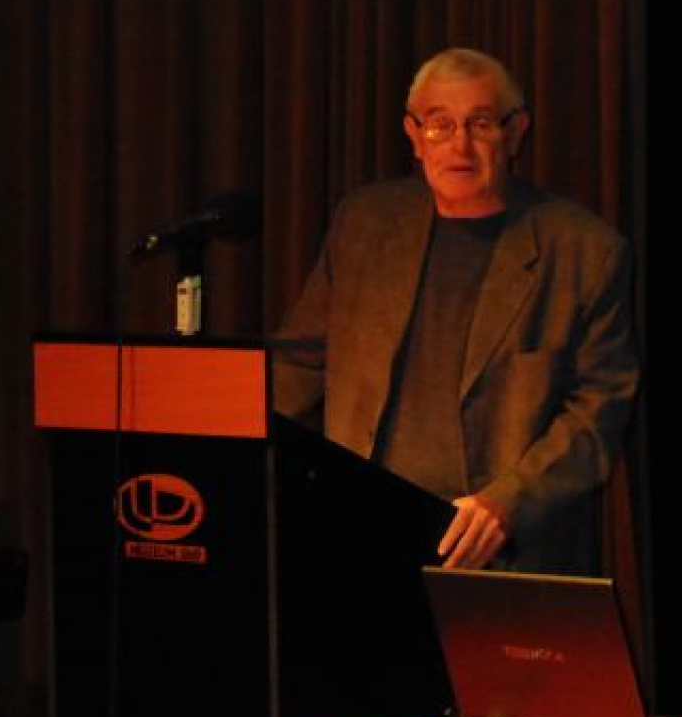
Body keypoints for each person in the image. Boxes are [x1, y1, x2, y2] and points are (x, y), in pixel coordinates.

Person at [271, 47, 639, 575]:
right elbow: (298, 364)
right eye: (439, 124)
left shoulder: (585, 252)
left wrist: (509, 504)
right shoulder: (365, 225)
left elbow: (597, 413)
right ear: (414, 135)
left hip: (496, 551)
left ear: (516, 133)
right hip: (361, 531)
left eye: (480, 124)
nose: (459, 145)